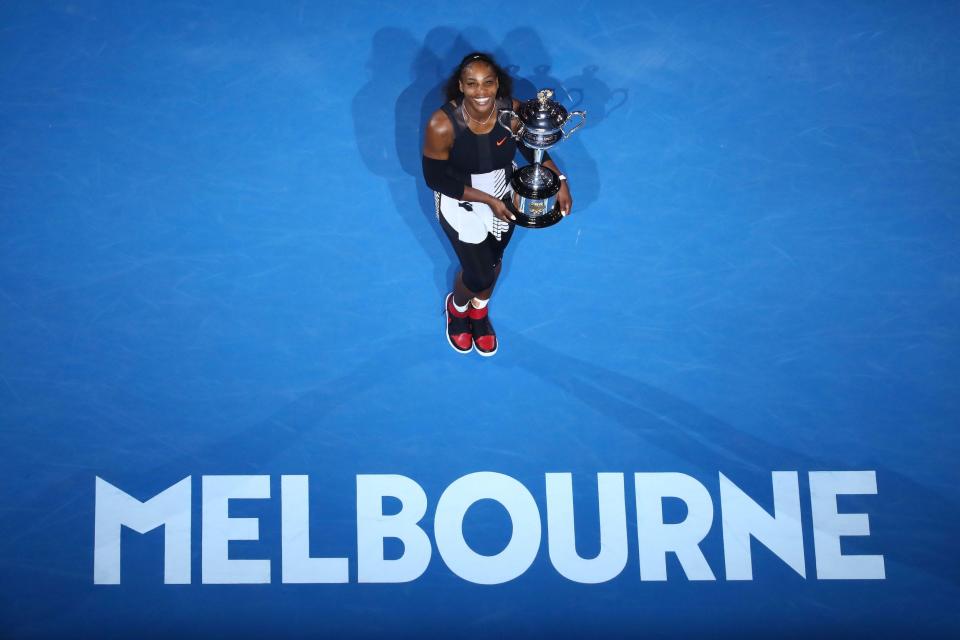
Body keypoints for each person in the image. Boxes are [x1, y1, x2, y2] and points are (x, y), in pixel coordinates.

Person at [422, 52, 573, 356]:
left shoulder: (511, 110)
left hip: (505, 191)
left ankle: (479, 312)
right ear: (461, 86)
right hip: (460, 197)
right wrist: (488, 201)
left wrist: (561, 181)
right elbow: (436, 179)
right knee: (479, 275)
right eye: (472, 83)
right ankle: (458, 307)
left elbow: (531, 147)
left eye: (488, 83)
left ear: (497, 85)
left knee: (493, 259)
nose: (481, 91)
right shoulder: (442, 124)